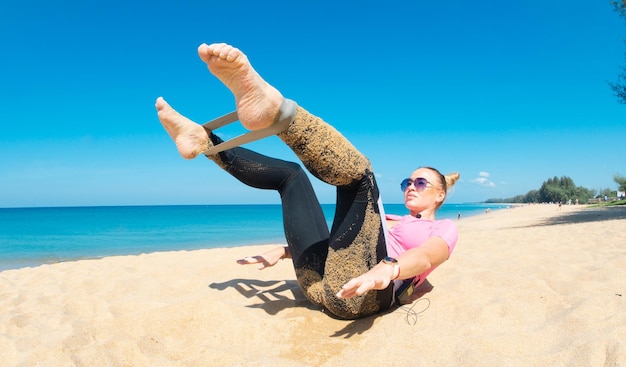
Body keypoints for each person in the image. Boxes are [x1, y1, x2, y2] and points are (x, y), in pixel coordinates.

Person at [156, 43, 459, 320]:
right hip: (319, 285)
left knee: (361, 179)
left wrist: (389, 270)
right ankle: (203, 142)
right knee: (291, 176)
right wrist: (285, 250)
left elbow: (428, 256)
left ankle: (277, 113)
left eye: (421, 183)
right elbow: (343, 245)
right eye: (408, 180)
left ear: (440, 195)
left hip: (362, 294)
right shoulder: (387, 220)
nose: (410, 186)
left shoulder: (442, 228)